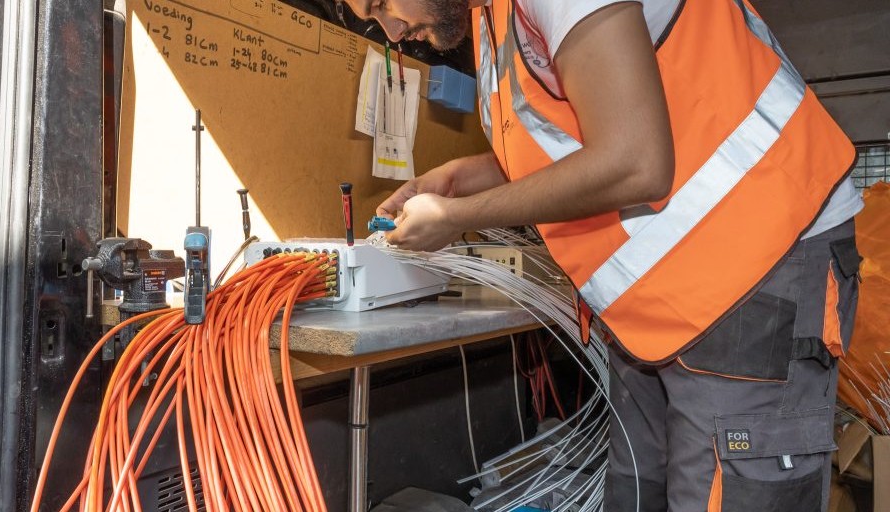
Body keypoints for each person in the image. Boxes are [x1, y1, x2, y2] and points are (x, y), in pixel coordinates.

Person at [338, 0, 864, 510]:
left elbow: (635, 161)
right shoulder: (491, 18)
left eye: (382, 3)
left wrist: (458, 217)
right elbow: (568, 142)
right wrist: (457, 180)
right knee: (637, 490)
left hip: (757, 265)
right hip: (662, 305)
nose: (392, 30)